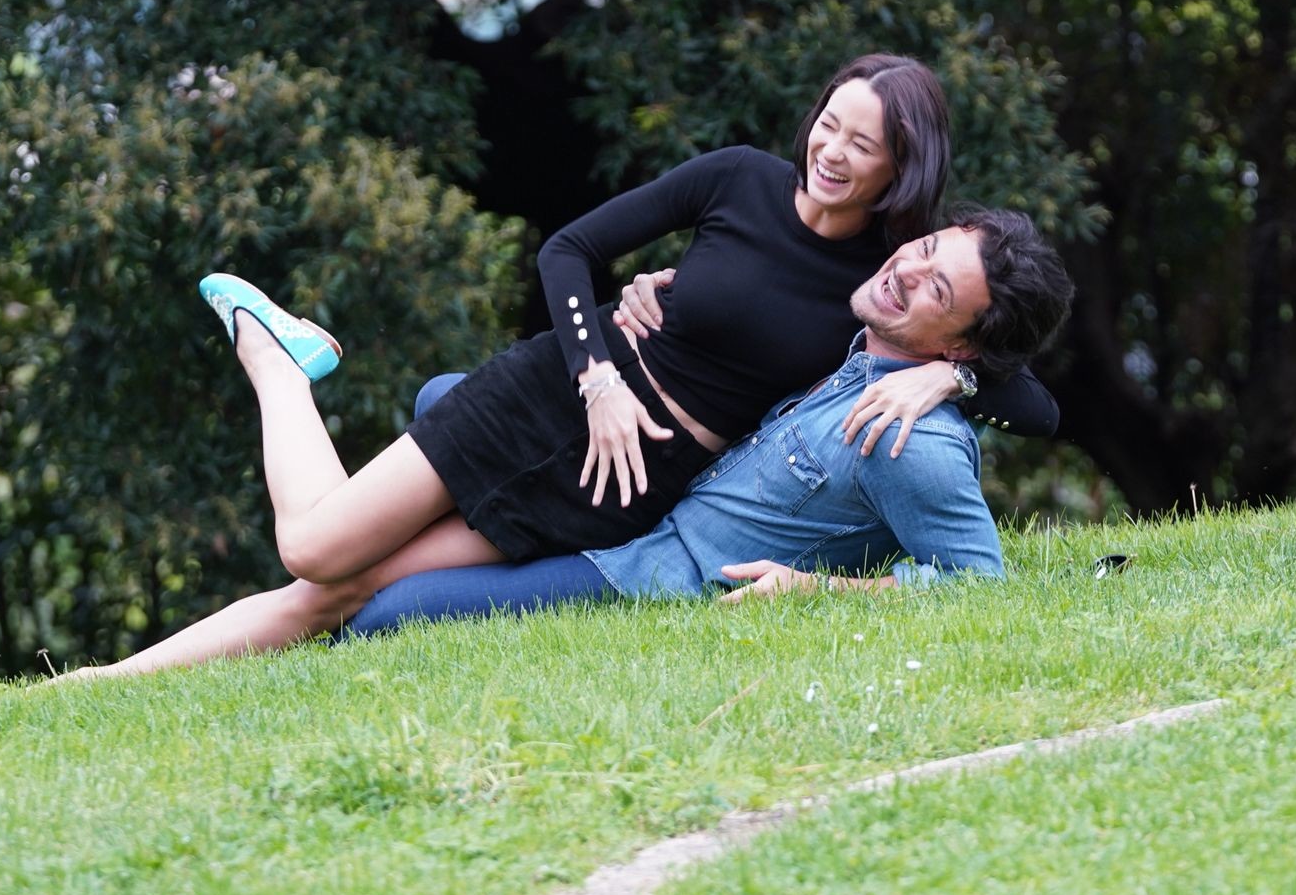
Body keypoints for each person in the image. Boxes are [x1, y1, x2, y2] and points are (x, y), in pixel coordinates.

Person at [59, 55, 1059, 680]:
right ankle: (277, 362)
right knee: (317, 551)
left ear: (900, 169)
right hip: (554, 396)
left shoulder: (892, 277)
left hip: (624, 485)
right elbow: (567, 251)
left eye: (862, 144)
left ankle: (101, 687)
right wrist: (599, 377)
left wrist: (953, 379)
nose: (831, 152)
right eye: (828, 125)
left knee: (343, 587)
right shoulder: (742, 181)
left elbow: (1036, 399)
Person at [343, 206, 1071, 635]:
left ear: (961, 343)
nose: (906, 271)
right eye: (925, 249)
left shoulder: (911, 438)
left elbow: (977, 584)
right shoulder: (859, 344)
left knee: (388, 614)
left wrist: (818, 591)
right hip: (644, 495)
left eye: (936, 288)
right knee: (445, 397)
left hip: (655, 573)